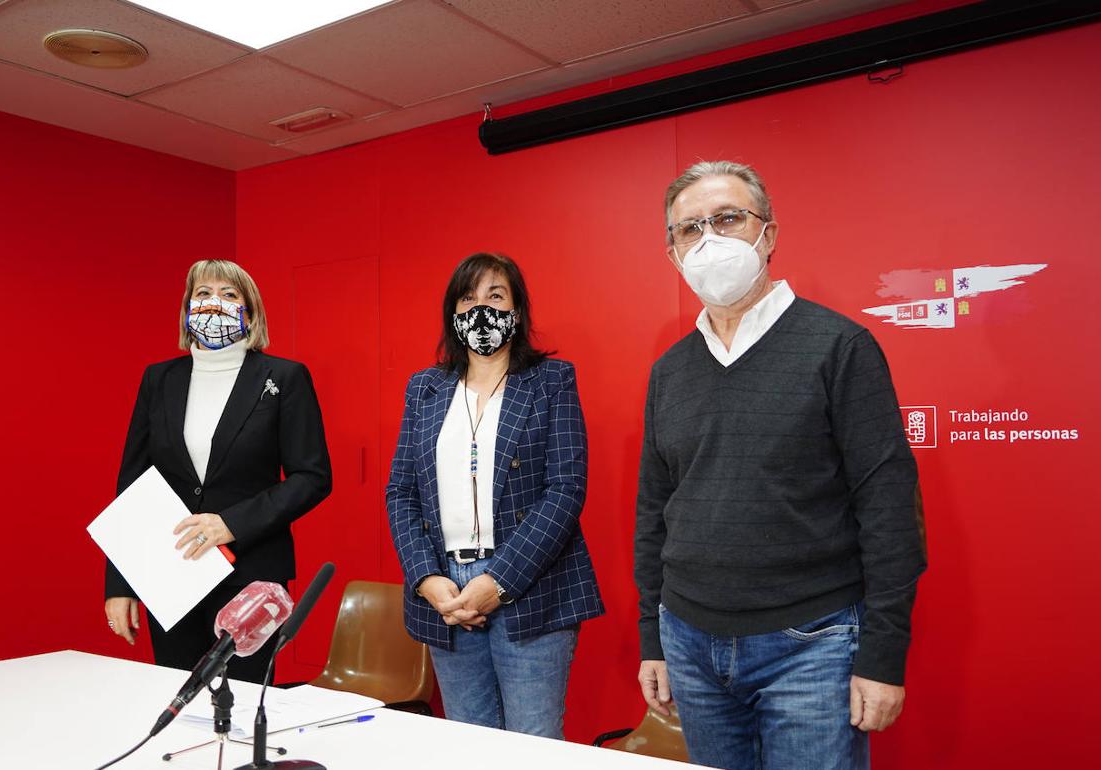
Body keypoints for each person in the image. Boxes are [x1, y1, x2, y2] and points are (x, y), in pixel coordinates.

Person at [634, 161, 927, 770]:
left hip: (811, 646)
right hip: (687, 638)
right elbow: (655, 511)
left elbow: (889, 508)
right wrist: (652, 639)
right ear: (672, 253)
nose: (709, 238)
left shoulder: (839, 347)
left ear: (767, 233)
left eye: (728, 218)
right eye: (690, 229)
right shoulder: (670, 371)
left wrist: (882, 655)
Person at [386, 253, 604, 738]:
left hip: (532, 587)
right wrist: (427, 579)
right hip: (445, 592)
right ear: (453, 313)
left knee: (533, 743)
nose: (481, 310)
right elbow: (401, 491)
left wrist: (496, 582)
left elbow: (565, 490)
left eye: (496, 297)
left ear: (518, 312)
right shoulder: (424, 388)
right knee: (468, 743)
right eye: (469, 299)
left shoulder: (552, 381)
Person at [103, 259, 332, 682]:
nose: (213, 304)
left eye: (229, 296)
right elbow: (132, 484)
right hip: (170, 570)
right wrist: (120, 584)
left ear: (251, 312)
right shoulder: (159, 379)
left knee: (240, 707)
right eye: (203, 294)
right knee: (176, 697)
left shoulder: (284, 377)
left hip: (251, 573)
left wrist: (232, 524)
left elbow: (312, 476)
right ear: (187, 307)